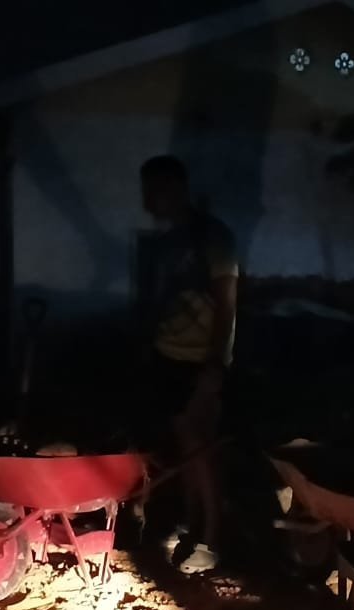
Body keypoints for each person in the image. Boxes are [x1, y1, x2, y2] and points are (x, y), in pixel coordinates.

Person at [138, 155, 238, 574]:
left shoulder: (212, 237)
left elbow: (227, 303)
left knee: (200, 451)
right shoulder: (168, 241)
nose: (147, 200)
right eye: (145, 190)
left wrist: (216, 365)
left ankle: (211, 539)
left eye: (154, 190)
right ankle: (193, 525)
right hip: (169, 355)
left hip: (200, 359)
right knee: (186, 449)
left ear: (176, 189)